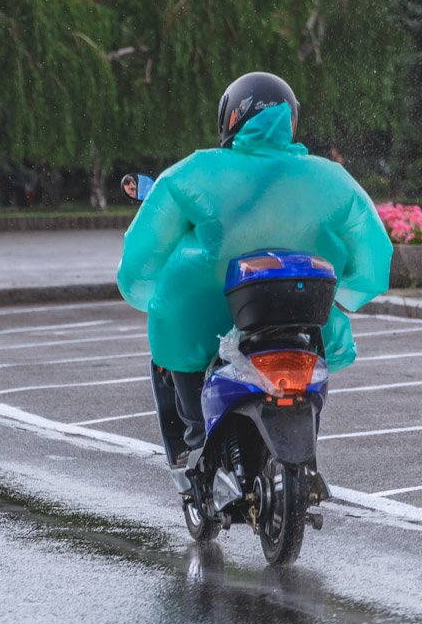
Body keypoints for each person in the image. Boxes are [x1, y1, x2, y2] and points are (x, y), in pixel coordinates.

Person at [116, 71, 392, 462]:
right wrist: (350, 290)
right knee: (316, 346)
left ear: (230, 118)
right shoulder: (332, 178)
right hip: (303, 311)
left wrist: (141, 289)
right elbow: (373, 251)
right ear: (292, 120)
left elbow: (143, 253)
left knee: (172, 333)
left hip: (209, 313)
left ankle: (196, 440)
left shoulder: (194, 172)